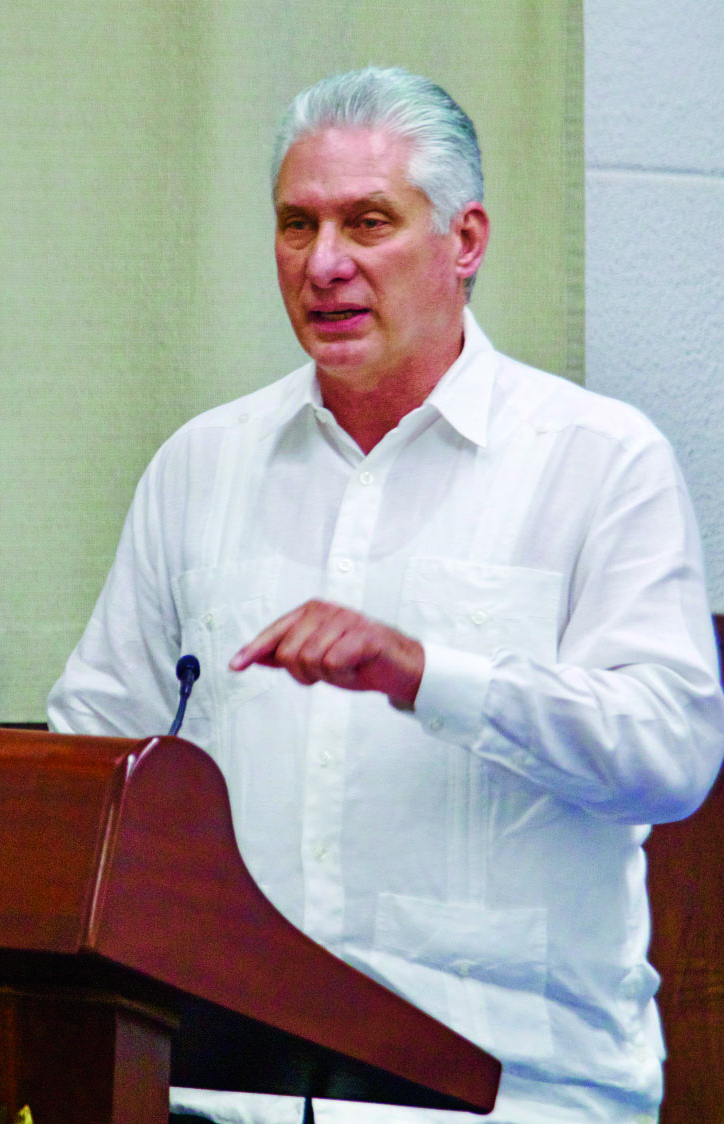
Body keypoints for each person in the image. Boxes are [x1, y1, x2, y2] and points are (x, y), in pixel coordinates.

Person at [47, 67, 724, 1124]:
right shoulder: (201, 464)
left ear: (463, 240)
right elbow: (94, 751)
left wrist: (428, 674)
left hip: (504, 1095)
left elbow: (668, 753)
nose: (323, 264)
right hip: (212, 1085)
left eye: (367, 222)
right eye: (295, 224)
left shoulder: (599, 461)